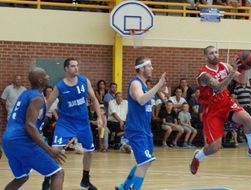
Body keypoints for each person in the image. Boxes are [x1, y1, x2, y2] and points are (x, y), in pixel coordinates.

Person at [189, 46, 251, 175]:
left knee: (247, 119)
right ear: (206, 56)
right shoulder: (203, 74)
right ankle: (198, 157)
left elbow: (242, 80)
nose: (214, 55)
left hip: (226, 103)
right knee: (215, 147)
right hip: (212, 109)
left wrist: (245, 67)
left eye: (216, 52)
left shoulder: (224, 66)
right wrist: (233, 71)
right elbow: (219, 87)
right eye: (211, 53)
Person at [2, 67, 65, 190]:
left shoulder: (25, 93)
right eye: (46, 75)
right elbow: (29, 126)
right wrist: (49, 149)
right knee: (58, 173)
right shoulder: (37, 98)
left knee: (21, 177)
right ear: (41, 80)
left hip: (8, 141)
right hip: (22, 141)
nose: (48, 77)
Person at [46, 58, 103, 190]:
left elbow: (94, 99)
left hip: (83, 123)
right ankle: (47, 179)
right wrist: (38, 120)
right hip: (65, 123)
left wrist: (99, 117)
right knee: (55, 150)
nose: (76, 68)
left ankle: (85, 180)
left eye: (77, 66)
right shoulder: (60, 86)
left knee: (89, 151)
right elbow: (48, 104)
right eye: (73, 66)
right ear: (66, 68)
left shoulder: (84, 81)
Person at [115, 56, 166, 190]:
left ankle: (124, 186)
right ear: (141, 68)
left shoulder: (144, 85)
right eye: (149, 66)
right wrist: (158, 86)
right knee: (144, 163)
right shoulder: (135, 83)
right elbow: (141, 100)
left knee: (145, 163)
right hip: (136, 129)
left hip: (145, 129)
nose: (152, 68)